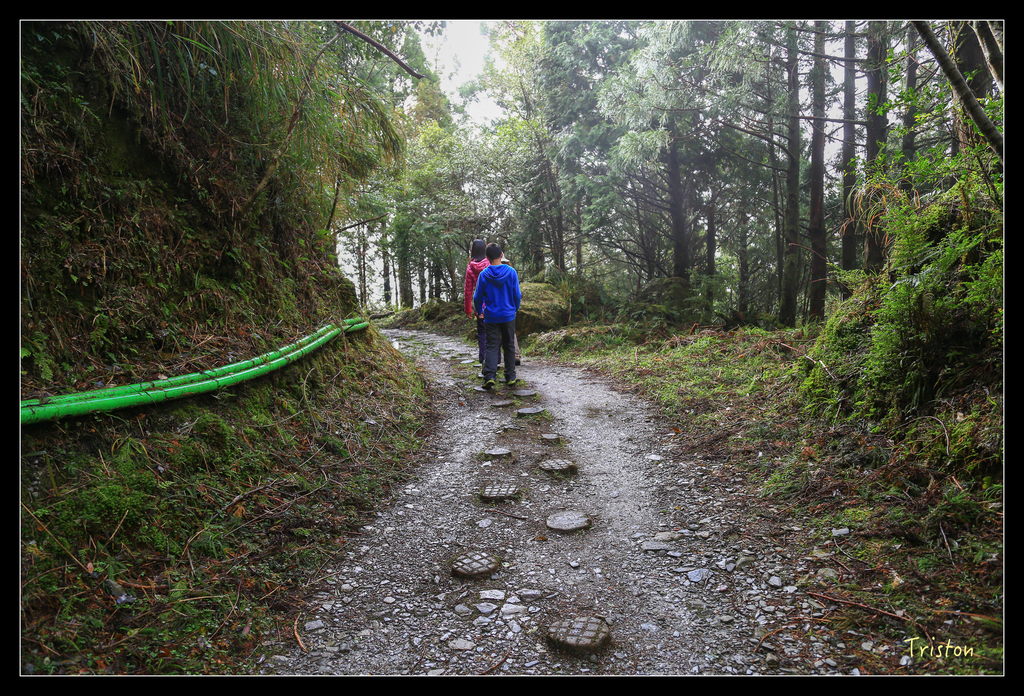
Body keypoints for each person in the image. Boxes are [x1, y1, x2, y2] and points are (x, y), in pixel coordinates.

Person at [473, 243, 521, 389]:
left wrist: (478, 310)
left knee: (492, 346)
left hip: (491, 316)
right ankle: (510, 376)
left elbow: (477, 297)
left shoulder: (484, 275)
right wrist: (515, 308)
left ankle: (490, 376)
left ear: (487, 258)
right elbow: (517, 294)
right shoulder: (511, 272)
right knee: (509, 345)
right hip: (508, 315)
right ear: (501, 255)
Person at [463, 239, 489, 365]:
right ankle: (497, 360)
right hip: (493, 304)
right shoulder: (490, 264)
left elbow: (468, 291)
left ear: (472, 251)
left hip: (480, 307)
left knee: (482, 333)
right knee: (494, 332)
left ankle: (483, 358)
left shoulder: (470, 268)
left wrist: (467, 309)